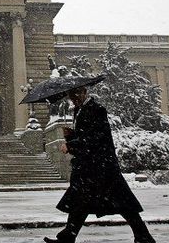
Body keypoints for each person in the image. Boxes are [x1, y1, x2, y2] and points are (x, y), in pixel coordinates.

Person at [44, 86, 155, 243]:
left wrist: (71, 145)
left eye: (77, 95)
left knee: (122, 203)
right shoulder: (80, 110)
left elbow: (97, 138)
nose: (74, 99)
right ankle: (67, 237)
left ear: (84, 93)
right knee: (80, 203)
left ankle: (143, 236)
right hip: (90, 167)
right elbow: (86, 135)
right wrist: (72, 135)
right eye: (71, 96)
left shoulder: (97, 109)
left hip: (102, 166)